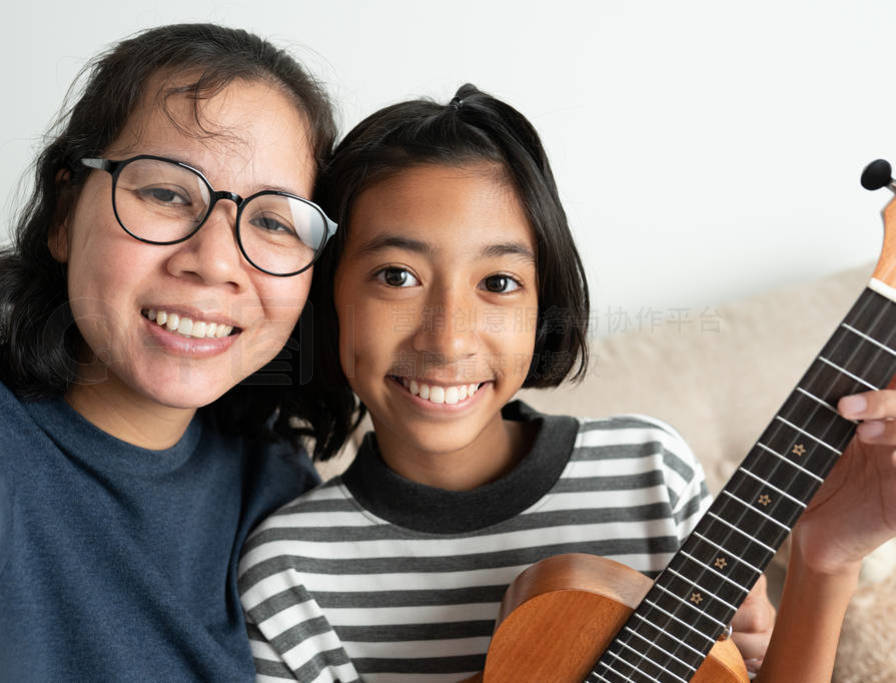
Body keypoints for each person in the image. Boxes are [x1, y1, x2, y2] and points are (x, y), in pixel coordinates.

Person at [239, 84, 896, 681]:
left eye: (498, 283)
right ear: (326, 296)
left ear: (541, 309)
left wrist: (823, 562)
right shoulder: (290, 572)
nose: (447, 337)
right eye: (397, 276)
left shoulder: (650, 470)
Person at [0, 23, 340, 681]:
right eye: (167, 193)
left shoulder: (275, 487)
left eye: (272, 220)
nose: (214, 262)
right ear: (64, 212)